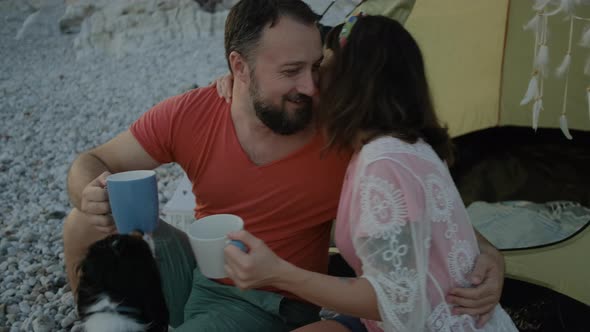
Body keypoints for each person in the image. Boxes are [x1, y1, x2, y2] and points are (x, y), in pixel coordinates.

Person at [63, 0, 504, 330]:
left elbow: (421, 205)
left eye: (315, 67)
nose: (310, 86)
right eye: (292, 71)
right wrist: (91, 191)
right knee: (82, 224)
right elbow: (92, 159)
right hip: (206, 272)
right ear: (240, 67)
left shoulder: (339, 128)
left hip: (274, 298)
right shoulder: (193, 113)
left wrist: (487, 254)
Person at [222, 15, 518, 332]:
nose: (312, 84)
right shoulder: (409, 145)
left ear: (350, 83)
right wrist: (236, 81)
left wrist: (277, 273)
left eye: (323, 70)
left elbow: (396, 303)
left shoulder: (384, 163)